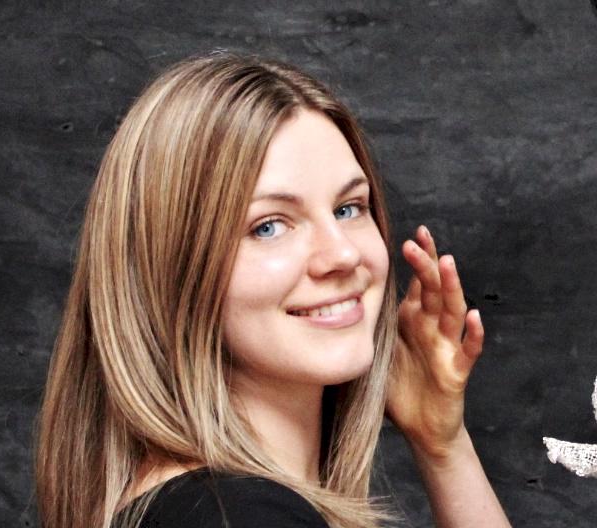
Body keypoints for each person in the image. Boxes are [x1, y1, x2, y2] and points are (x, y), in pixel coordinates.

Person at [35, 52, 511, 528]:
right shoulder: (236, 516)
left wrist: (443, 446)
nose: (343, 254)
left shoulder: (203, 507)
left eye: (348, 208)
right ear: (172, 274)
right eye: (268, 226)